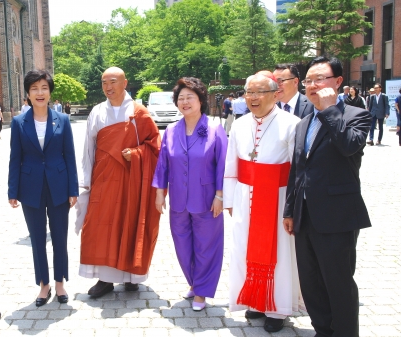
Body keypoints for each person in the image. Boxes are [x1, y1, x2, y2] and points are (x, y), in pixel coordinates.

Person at [283, 56, 372, 337]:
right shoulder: (302, 123)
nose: (313, 85)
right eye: (308, 80)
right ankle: (322, 330)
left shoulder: (355, 115)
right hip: (304, 216)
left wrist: (331, 109)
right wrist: (289, 210)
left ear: (338, 82)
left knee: (338, 283)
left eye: (319, 78)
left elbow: (348, 147)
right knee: (311, 284)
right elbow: (297, 170)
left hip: (337, 217)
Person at [223, 72, 301, 333]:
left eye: (259, 92)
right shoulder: (240, 123)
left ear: (275, 94)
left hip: (276, 197)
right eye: (249, 92)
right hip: (246, 196)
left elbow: (297, 170)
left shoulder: (292, 123)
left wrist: (291, 207)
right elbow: (232, 164)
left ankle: (277, 308)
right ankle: (254, 300)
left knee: (277, 251)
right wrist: (230, 197)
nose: (253, 98)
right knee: (244, 248)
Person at [76, 67, 161, 298]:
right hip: (103, 178)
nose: (108, 87)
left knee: (129, 222)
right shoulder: (97, 112)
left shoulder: (139, 113)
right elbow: (88, 148)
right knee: (101, 226)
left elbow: (155, 146)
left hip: (131, 179)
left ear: (125, 82)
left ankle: (131, 276)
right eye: (104, 82)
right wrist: (86, 181)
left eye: (113, 81)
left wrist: (135, 154)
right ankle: (105, 280)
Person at [152, 77, 227, 311]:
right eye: (180, 98)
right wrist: (159, 193)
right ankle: (195, 282)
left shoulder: (215, 129)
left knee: (206, 247)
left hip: (207, 200)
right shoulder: (172, 131)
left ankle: (202, 292)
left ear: (200, 100)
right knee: (182, 245)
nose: (184, 102)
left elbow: (223, 165)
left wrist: (220, 195)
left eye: (189, 97)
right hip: (178, 200)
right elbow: (163, 163)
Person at [8, 70, 79, 306]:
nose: (40, 93)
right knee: (37, 239)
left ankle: (59, 282)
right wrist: (12, 190)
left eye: (44, 88)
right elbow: (14, 158)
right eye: (34, 88)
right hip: (30, 188)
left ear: (50, 92)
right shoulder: (19, 123)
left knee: (60, 236)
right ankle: (43, 285)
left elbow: (69, 156)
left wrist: (73, 189)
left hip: (59, 186)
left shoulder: (63, 120)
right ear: (27, 94)